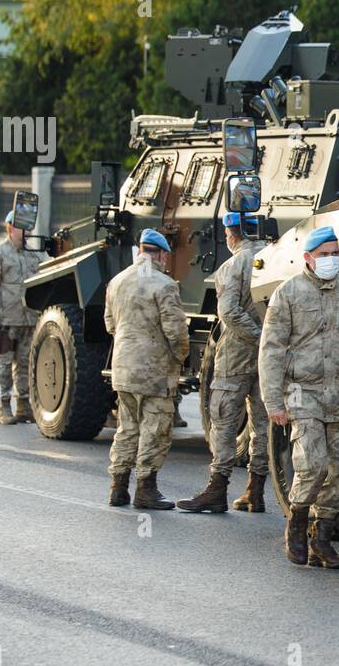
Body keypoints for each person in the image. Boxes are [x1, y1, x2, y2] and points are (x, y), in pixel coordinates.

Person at [258, 225, 339, 568]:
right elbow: (271, 351)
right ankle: (297, 521)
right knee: (311, 463)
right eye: (324, 255)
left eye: (335, 253)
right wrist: (274, 402)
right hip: (302, 392)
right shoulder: (289, 294)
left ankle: (321, 538)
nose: (331, 260)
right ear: (308, 258)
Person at [178, 211, 269, 513]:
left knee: (224, 420)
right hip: (269, 356)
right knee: (262, 422)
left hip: (237, 354)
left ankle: (217, 489)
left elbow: (228, 312)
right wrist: (270, 341)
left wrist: (257, 336)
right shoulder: (276, 258)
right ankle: (256, 491)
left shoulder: (232, 265)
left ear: (232, 235)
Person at [104, 228, 190, 510]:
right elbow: (176, 332)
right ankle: (146, 489)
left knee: (127, 428)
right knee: (154, 429)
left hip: (123, 369)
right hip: (155, 372)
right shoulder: (164, 285)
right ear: (162, 254)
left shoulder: (117, 282)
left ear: (140, 252)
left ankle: (118, 487)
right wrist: (180, 358)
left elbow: (110, 324)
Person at [0, 209, 46, 425]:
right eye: (20, 227)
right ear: (9, 228)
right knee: (3, 366)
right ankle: (2, 406)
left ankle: (24, 406)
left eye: (28, 228)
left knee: (26, 364)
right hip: (5, 321)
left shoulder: (35, 254)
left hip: (29, 319)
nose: (25, 232)